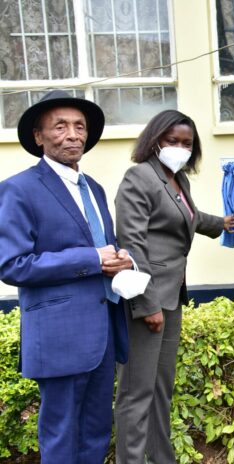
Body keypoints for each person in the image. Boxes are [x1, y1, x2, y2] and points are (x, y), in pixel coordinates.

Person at [0, 90, 132, 462]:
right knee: (60, 434)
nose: (73, 134)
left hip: (103, 330)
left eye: (80, 126)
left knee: (96, 431)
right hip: (59, 334)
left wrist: (123, 260)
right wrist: (90, 258)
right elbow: (13, 265)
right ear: (38, 136)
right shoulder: (18, 189)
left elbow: (104, 245)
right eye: (60, 126)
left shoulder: (95, 189)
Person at [114, 109, 234, 463]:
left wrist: (225, 224)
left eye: (187, 142)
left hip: (172, 297)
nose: (180, 148)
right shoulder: (139, 177)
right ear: (155, 141)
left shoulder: (178, 180)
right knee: (137, 393)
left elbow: (189, 218)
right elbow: (132, 243)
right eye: (173, 141)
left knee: (160, 390)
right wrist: (147, 305)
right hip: (147, 301)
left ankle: (161, 458)